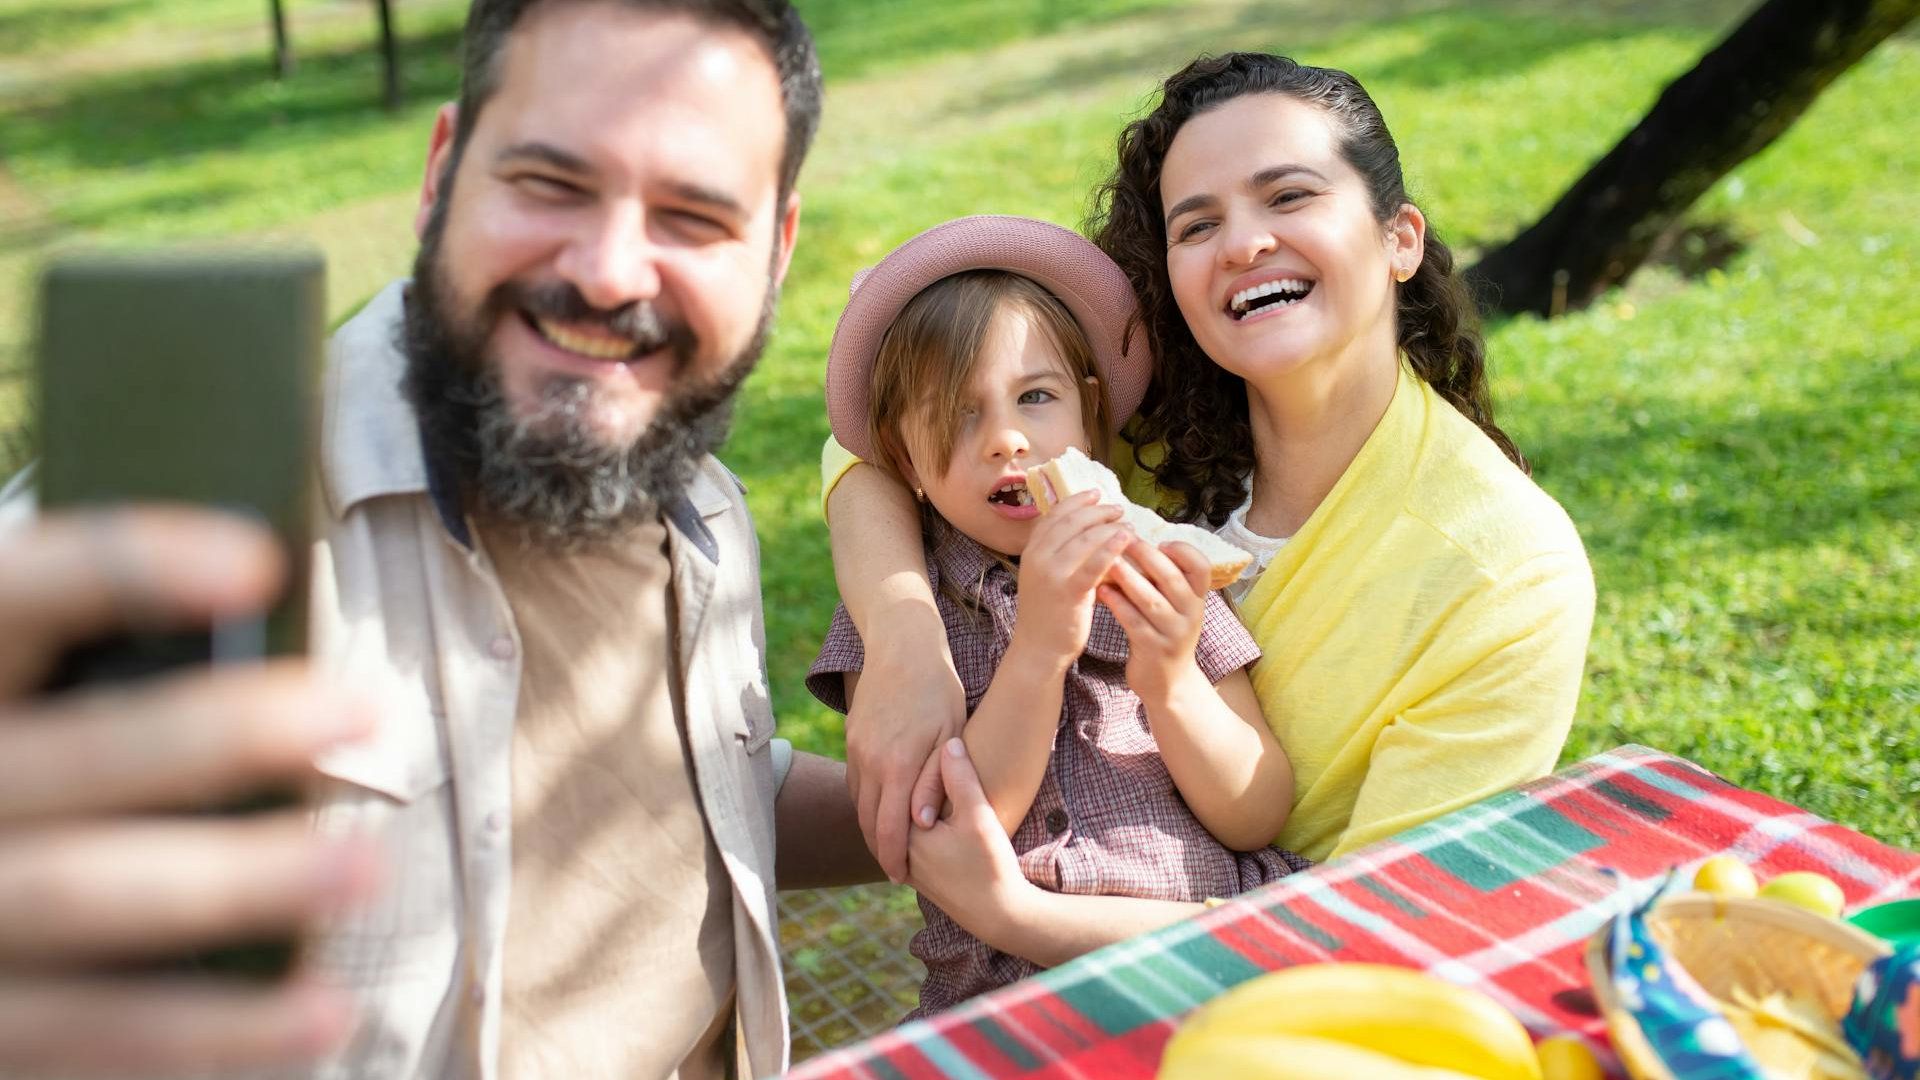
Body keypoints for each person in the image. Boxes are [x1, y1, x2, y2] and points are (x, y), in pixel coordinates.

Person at [0, 1, 878, 1077]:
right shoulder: (160, 535)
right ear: (443, 172)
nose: (609, 273)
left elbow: (690, 797)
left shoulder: (701, 507)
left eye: (693, 215)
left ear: (776, 250)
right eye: (551, 183)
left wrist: (924, 813)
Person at [825, 53, 1596, 881]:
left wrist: (1020, 917)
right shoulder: (1111, 416)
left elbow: (1383, 919)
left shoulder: (1508, 572)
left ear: (1399, 238)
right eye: (1196, 225)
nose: (1244, 244)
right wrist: (903, 635)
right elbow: (868, 447)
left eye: (1289, 196)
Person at [805, 216, 1307, 1014]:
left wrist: (1172, 682)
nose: (1007, 439)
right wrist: (1038, 648)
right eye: (958, 413)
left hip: (1209, 959)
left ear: (1090, 419)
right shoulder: (898, 619)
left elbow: (1255, 813)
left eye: (1035, 398)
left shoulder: (1165, 567)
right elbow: (955, 828)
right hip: (1008, 996)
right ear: (906, 464)